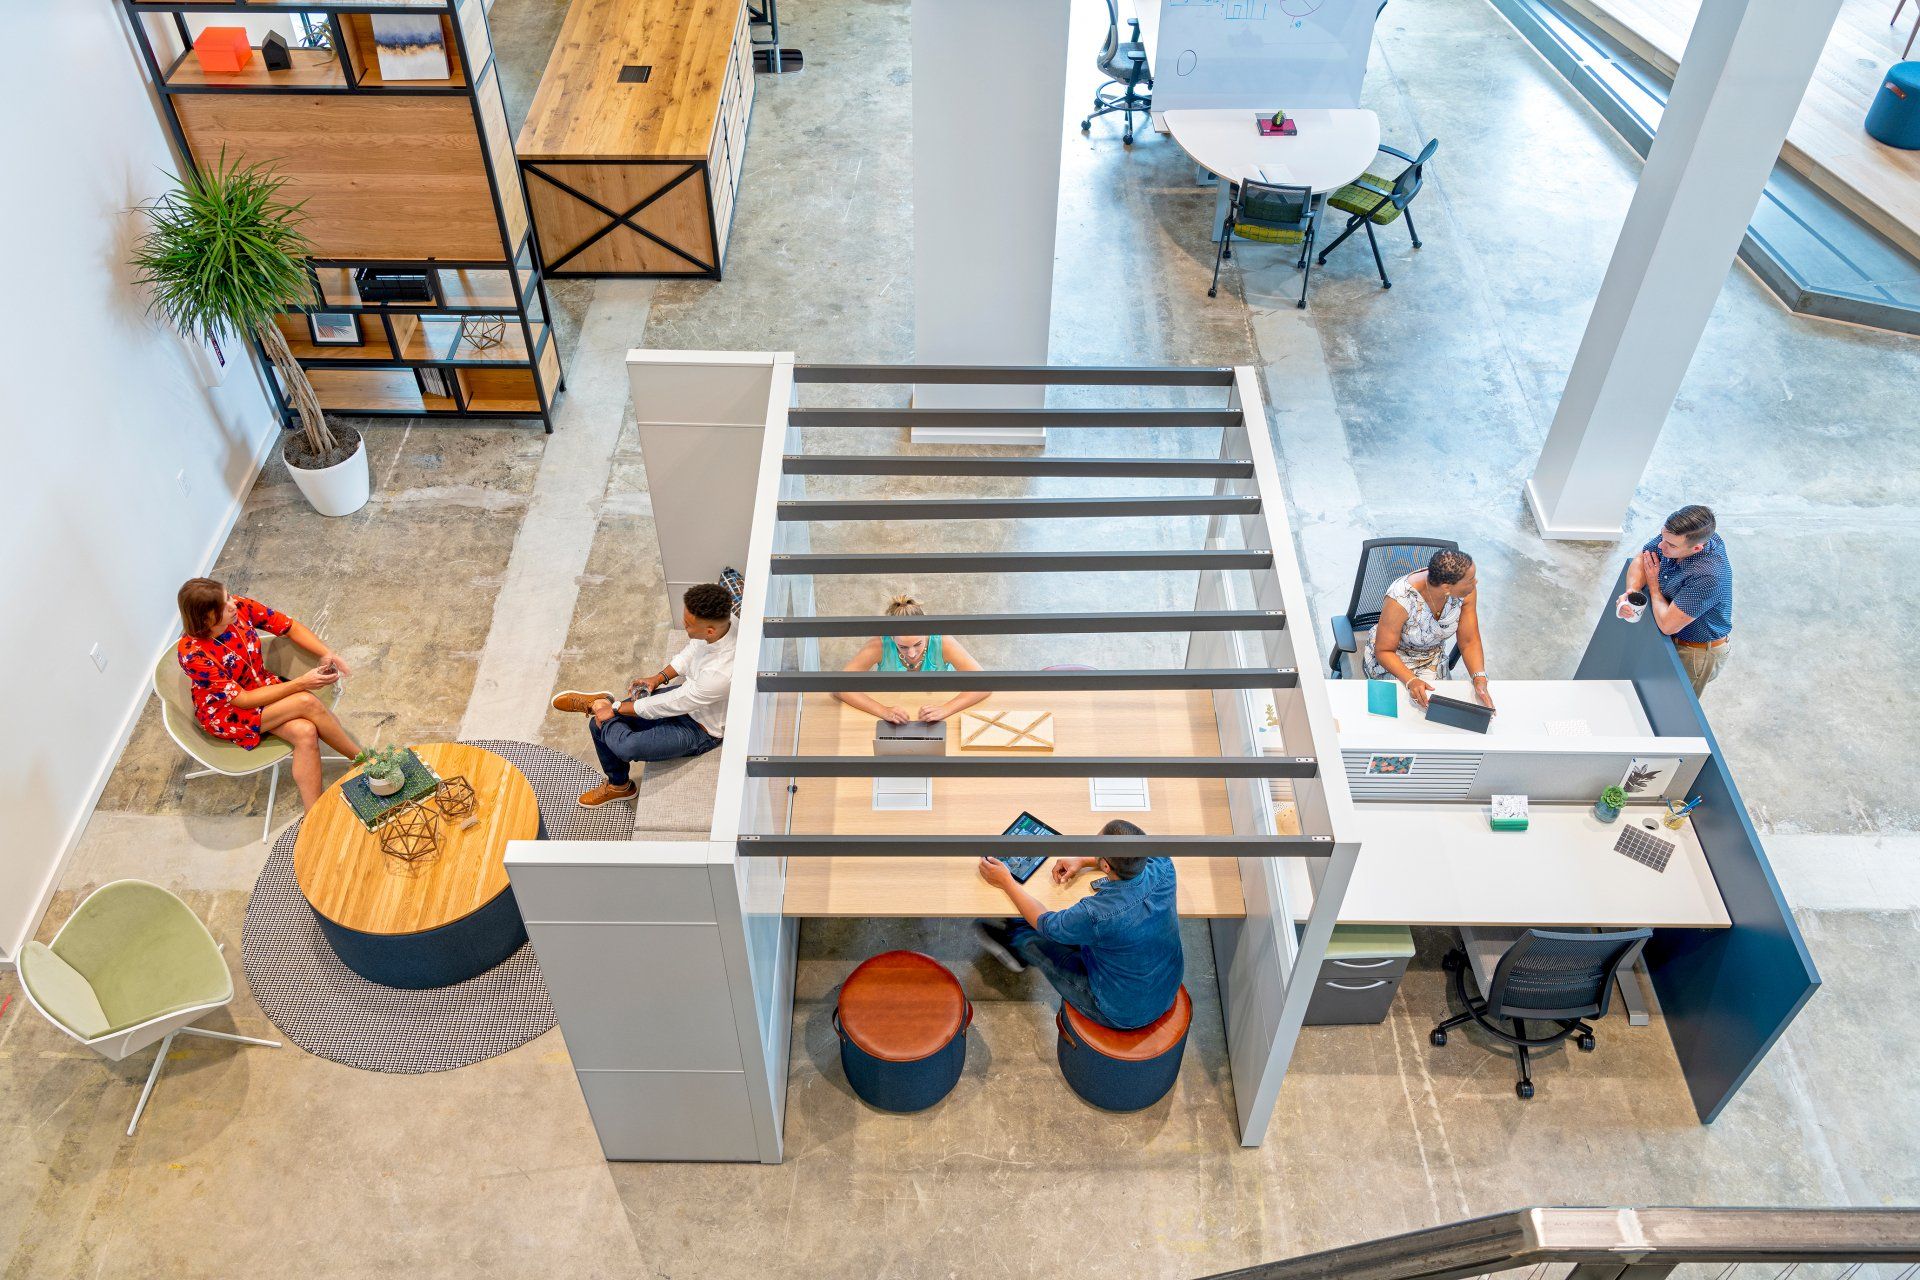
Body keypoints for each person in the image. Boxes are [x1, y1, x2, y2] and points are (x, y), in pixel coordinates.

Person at [974, 819, 1184, 1031]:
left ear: (1106, 866)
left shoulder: (1097, 913)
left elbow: (1046, 924)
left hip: (1122, 1010)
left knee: (1027, 935)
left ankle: (1015, 947)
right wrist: (1084, 861)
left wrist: (1005, 881)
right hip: (1167, 985)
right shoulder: (1164, 866)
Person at [174, 578, 361, 811]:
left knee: (305, 731)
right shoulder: (192, 654)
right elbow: (242, 700)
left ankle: (313, 815)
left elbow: (288, 626)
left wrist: (327, 653)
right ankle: (365, 760)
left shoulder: (239, 608)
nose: (233, 605)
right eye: (223, 606)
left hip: (261, 686)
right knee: (306, 701)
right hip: (228, 713)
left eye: (229, 596)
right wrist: (302, 683)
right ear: (206, 618)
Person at [551, 583, 735, 807]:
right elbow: (692, 651)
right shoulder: (726, 624)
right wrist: (658, 678)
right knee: (597, 726)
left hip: (700, 730)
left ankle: (599, 704)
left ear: (709, 631)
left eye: (688, 625)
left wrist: (614, 708)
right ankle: (620, 786)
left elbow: (674, 703)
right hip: (685, 696)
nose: (684, 627)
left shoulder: (720, 674)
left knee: (625, 745)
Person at [1362, 548, 1495, 712]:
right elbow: (1384, 651)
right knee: (1396, 715)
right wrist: (1411, 681)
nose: (1476, 582)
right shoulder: (1401, 598)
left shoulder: (1466, 592)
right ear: (1447, 587)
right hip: (1394, 660)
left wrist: (1479, 677)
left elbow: (1469, 641)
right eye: (1470, 580)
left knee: (1439, 716)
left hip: (1432, 660)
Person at [1621, 504, 1732, 696]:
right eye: (1662, 537)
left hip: (1694, 652)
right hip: (1669, 637)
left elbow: (1667, 625)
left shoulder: (1709, 576)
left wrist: (1654, 588)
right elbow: (1643, 559)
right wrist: (1632, 592)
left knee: (1672, 705)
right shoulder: (1678, 537)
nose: (1661, 545)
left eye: (1671, 545)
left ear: (1697, 548)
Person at [833, 594, 989, 725]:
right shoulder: (879, 644)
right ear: (891, 637)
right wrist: (883, 711)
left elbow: (984, 683)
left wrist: (946, 708)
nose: (912, 654)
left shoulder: (943, 641)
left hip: (940, 705)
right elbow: (840, 687)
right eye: (903, 647)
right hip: (896, 709)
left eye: (918, 644)